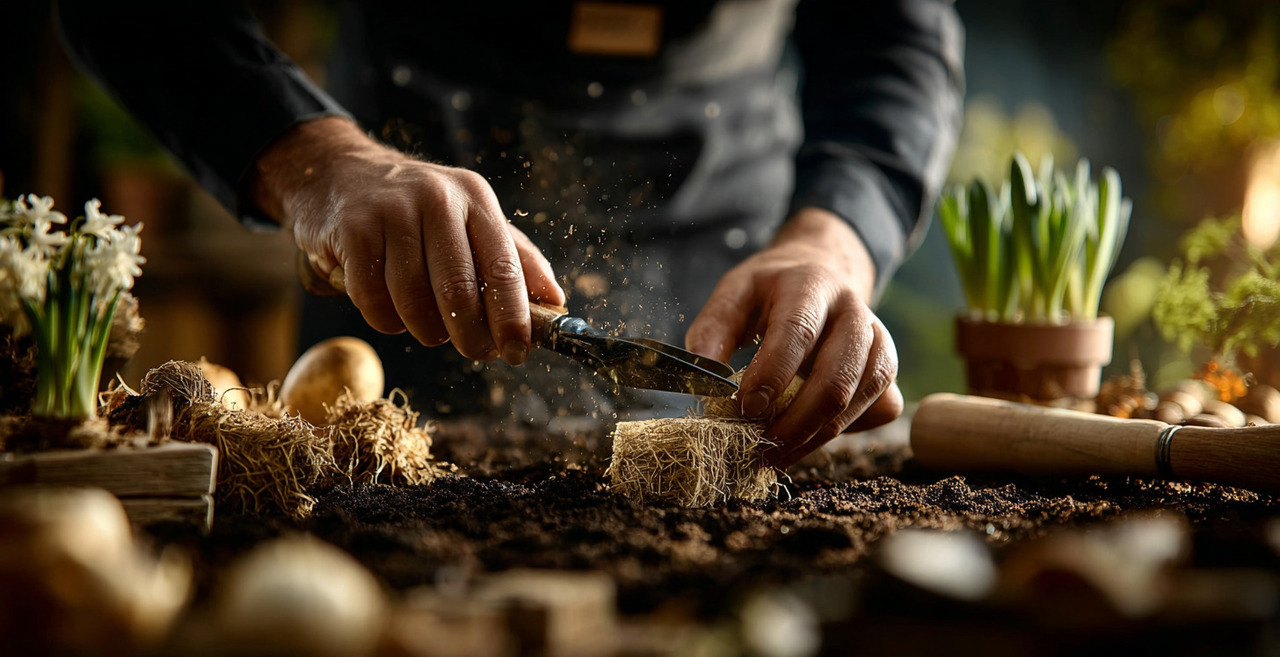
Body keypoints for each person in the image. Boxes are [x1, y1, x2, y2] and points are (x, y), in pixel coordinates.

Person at [57, 0, 964, 466]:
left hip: (728, 247)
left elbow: (896, 42)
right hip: (403, 247)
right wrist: (312, 159)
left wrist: (835, 235)